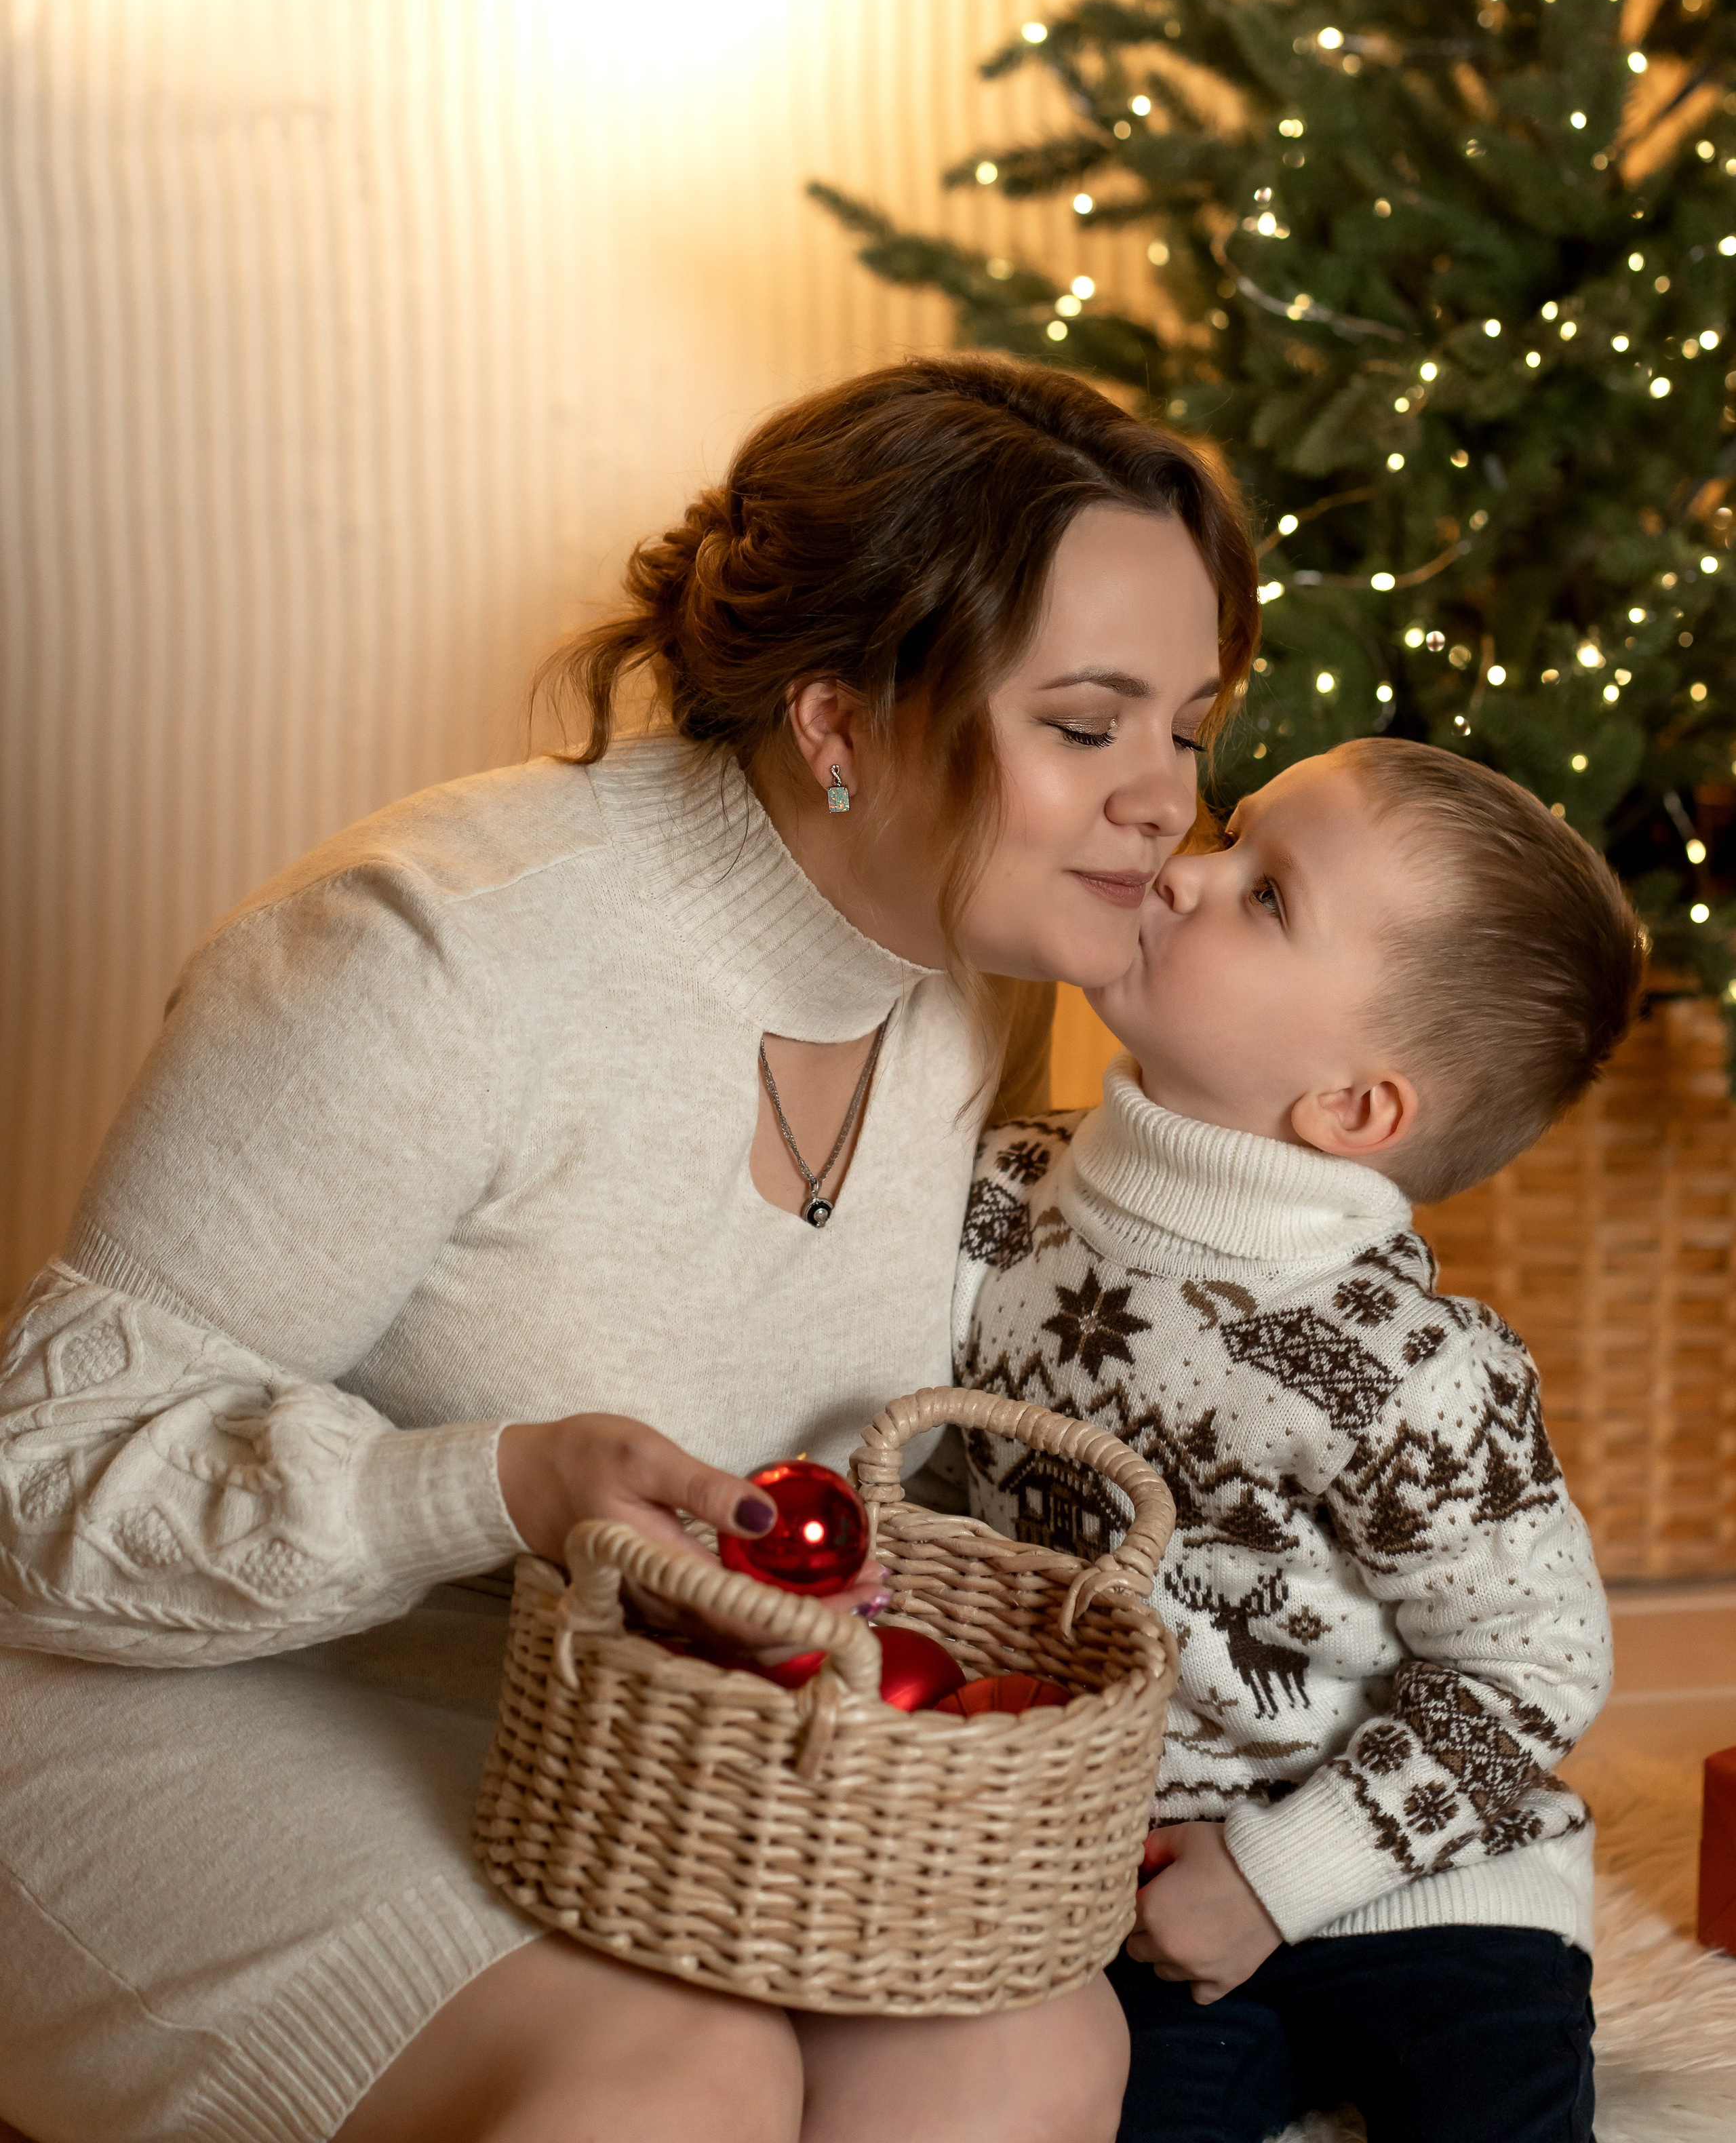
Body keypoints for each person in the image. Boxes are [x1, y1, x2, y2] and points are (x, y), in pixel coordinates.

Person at [0, 354, 1257, 2143]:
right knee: (681, 2074)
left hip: (626, 1737)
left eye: (1189, 727)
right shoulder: (433, 950)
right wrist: (499, 1490)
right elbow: (38, 1495)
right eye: (1085, 725)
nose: (1165, 801)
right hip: (173, 1699)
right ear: (837, 726)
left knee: (1029, 2046)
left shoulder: (973, 975)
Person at [953, 737, 1644, 2143]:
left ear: (1351, 1108)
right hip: (1127, 1888)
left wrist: (1278, 1873)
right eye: (1232, 833)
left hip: (1430, 1888)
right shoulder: (995, 1198)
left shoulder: (1413, 1371)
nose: (1182, 866)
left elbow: (1535, 1656)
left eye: (1263, 895)